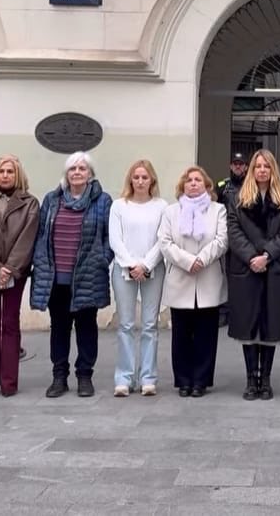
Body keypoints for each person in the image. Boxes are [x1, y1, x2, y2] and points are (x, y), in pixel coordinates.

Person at [30, 152, 113, 398]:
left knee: (87, 327)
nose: (77, 172)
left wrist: (103, 259)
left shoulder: (102, 201)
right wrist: (40, 262)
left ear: (90, 174)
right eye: (72, 169)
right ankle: (59, 377)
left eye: (82, 168)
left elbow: (110, 236)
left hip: (88, 276)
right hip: (57, 279)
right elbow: (41, 235)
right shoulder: (52, 200)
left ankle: (85, 375)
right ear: (66, 174)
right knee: (59, 327)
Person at [226, 149, 280, 400]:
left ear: (273, 169)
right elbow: (234, 233)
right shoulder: (237, 199)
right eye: (258, 166)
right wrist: (251, 258)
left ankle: (265, 380)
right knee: (248, 326)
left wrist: (266, 255)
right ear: (251, 170)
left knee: (270, 326)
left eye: (267, 166)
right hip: (246, 270)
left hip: (274, 269)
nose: (262, 170)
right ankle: (250, 379)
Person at [159, 165, 227, 397]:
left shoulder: (218, 210)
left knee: (206, 335)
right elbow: (165, 243)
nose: (193, 183)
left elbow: (221, 240)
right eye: (188, 180)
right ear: (182, 186)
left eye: (198, 179)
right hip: (181, 277)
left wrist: (202, 259)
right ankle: (184, 380)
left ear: (207, 185)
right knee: (181, 335)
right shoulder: (171, 212)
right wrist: (188, 261)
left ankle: (201, 381)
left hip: (208, 277)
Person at [108, 159, 168, 397]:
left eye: (145, 177)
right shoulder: (119, 206)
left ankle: (148, 378)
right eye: (136, 177)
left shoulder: (162, 206)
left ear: (152, 179)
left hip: (153, 269)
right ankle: (123, 377)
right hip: (124, 270)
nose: (140, 181)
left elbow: (162, 239)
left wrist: (146, 264)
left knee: (150, 325)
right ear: (130, 179)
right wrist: (132, 264)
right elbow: (115, 239)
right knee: (125, 324)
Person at [0, 155, 39, 397]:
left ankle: (8, 382)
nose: (5, 175)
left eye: (10, 171)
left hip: (15, 274)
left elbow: (27, 239)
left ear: (17, 175)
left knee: (9, 323)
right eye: (1, 171)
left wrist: (9, 268)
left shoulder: (29, 204)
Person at [216, 152, 248, 328]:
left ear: (245, 166)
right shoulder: (223, 186)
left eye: (241, 164)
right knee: (223, 275)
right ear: (230, 166)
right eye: (235, 163)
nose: (238, 166)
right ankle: (223, 310)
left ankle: (238, 311)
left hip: (244, 237)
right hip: (225, 236)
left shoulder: (251, 184)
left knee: (240, 275)